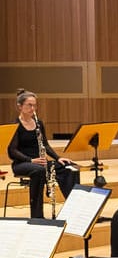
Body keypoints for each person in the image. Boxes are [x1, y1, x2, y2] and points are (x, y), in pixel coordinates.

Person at [9, 89, 80, 219]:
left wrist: (58, 158)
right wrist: (31, 160)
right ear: (19, 106)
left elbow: (45, 145)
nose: (33, 108)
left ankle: (75, 209)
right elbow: (12, 151)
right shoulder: (15, 125)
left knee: (71, 168)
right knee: (39, 170)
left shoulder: (38, 123)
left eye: (35, 105)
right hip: (22, 163)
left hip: (40, 162)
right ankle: (37, 216)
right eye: (29, 105)